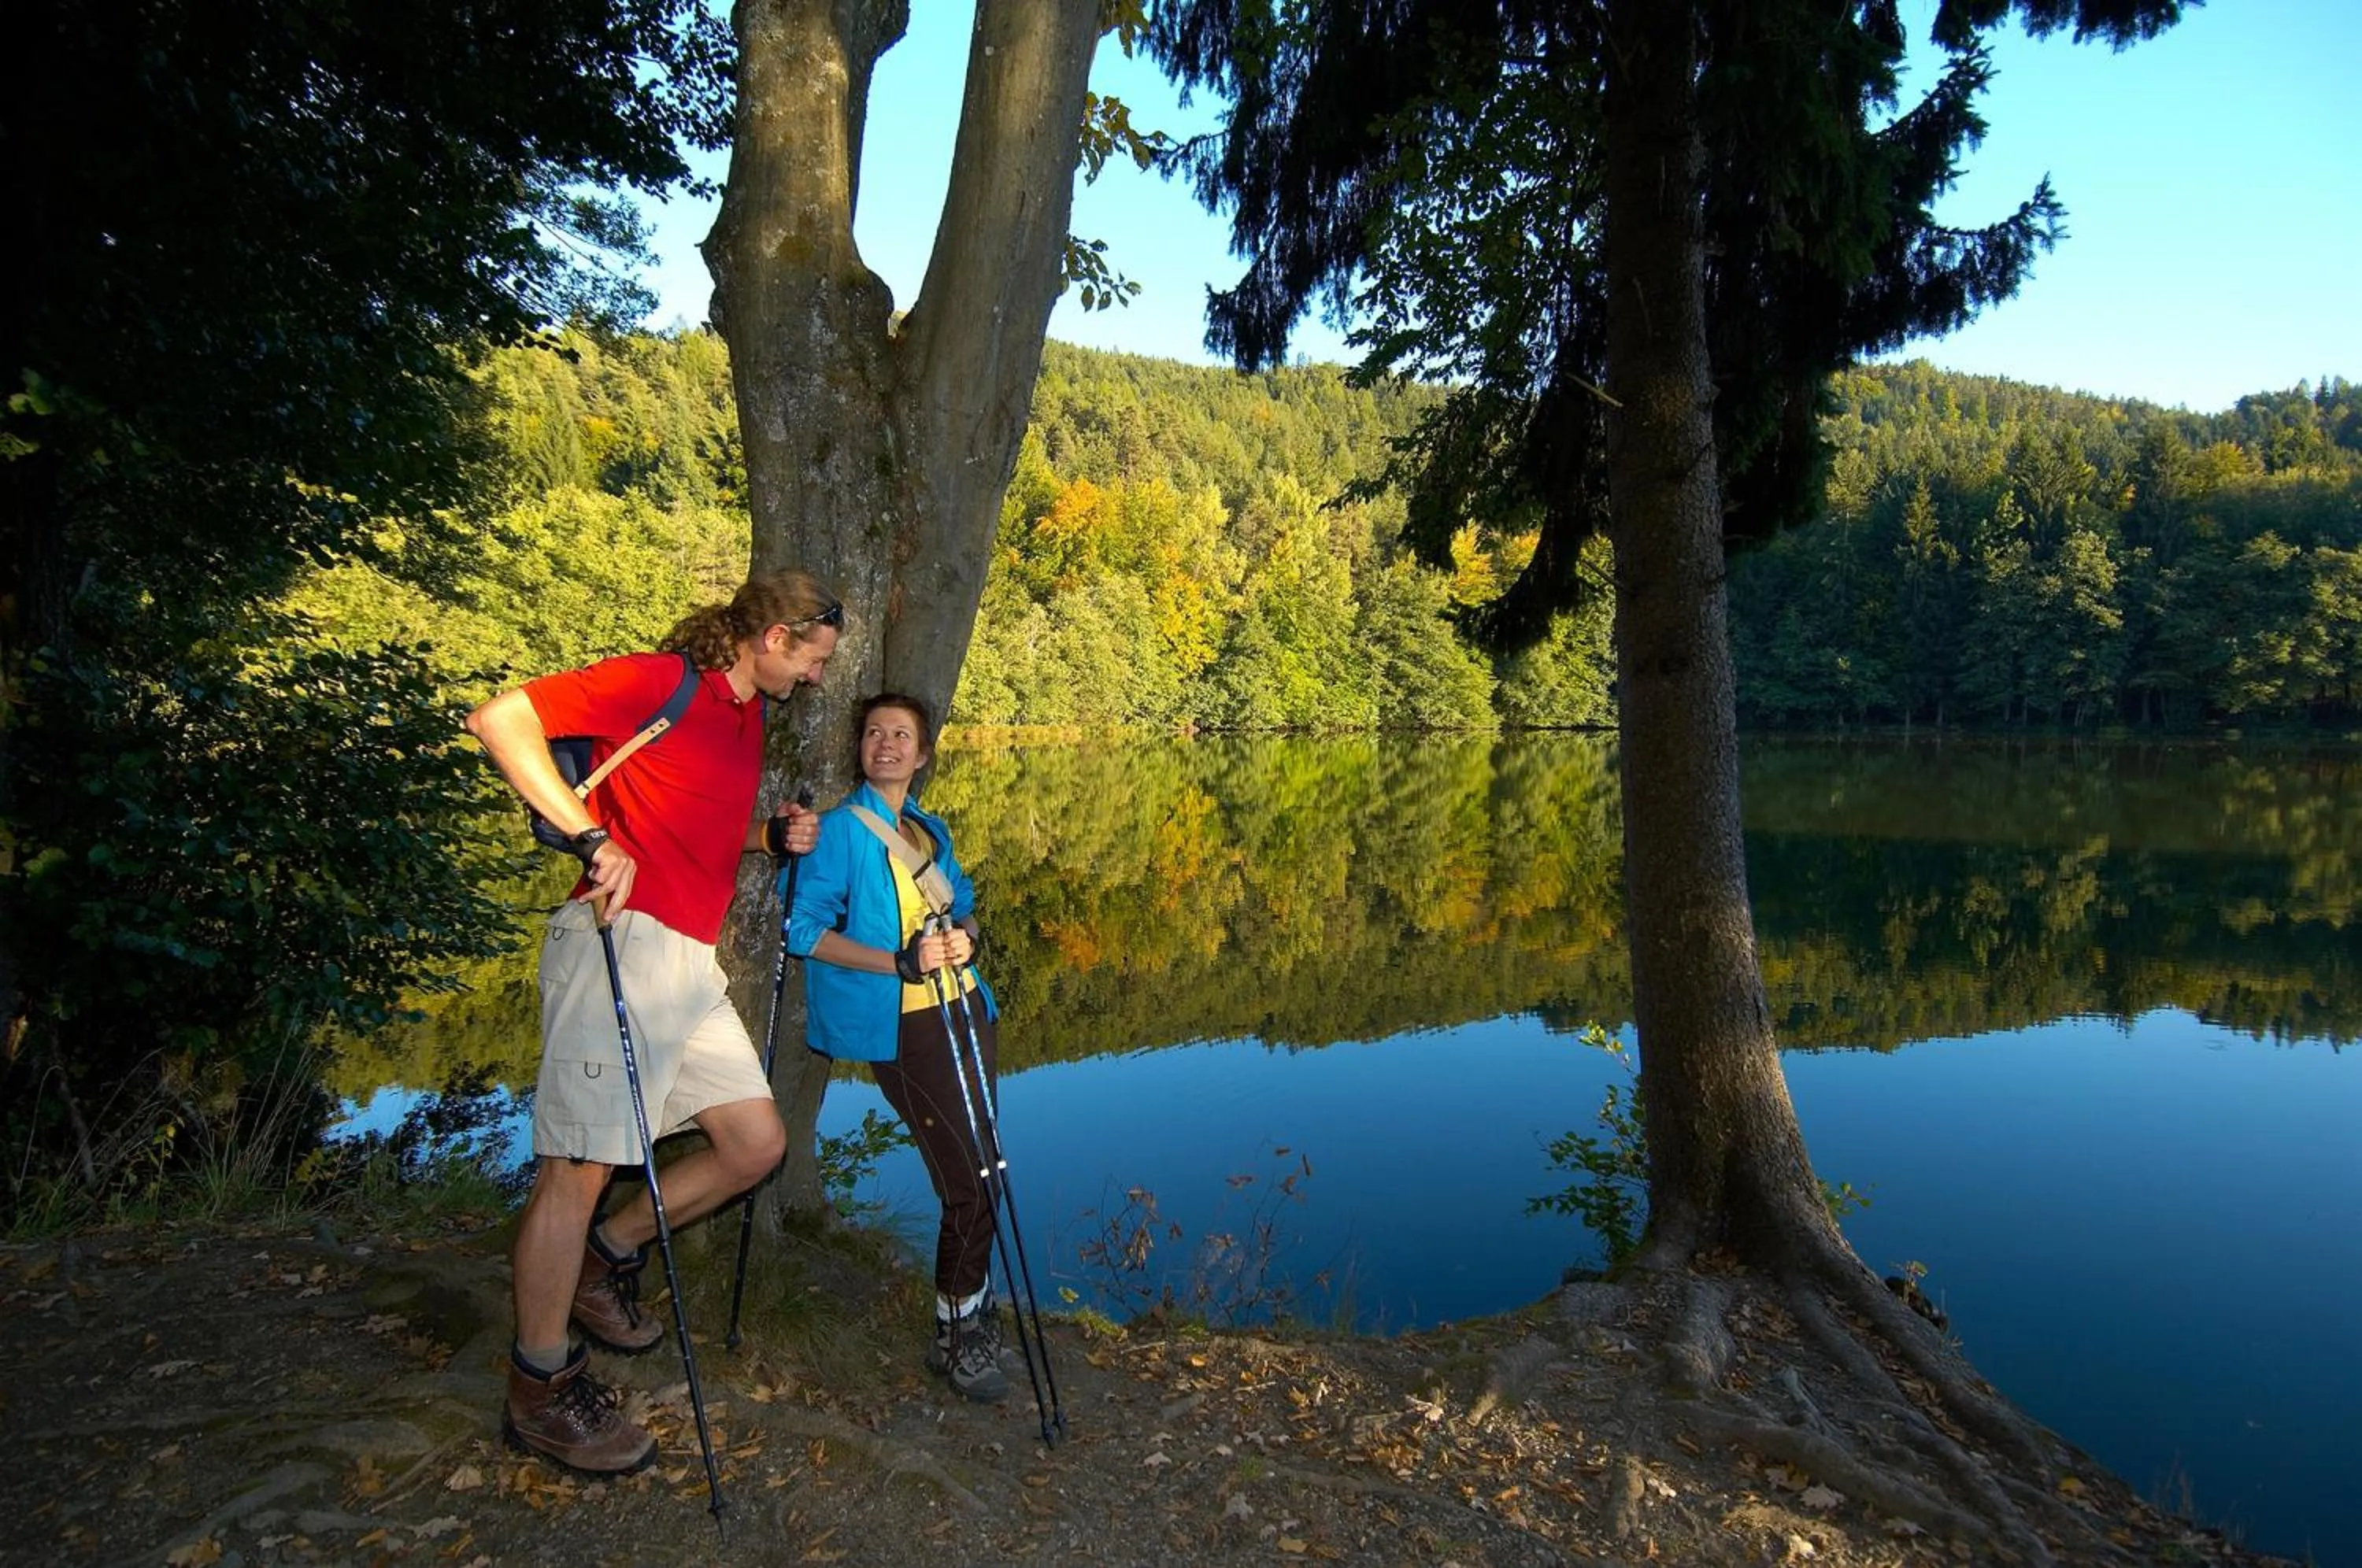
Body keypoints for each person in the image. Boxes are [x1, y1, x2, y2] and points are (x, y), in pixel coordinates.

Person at [463, 570, 839, 1475]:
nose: (820, 678)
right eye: (817, 659)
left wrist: (766, 839)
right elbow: (498, 718)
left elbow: (694, 827)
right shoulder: (656, 680)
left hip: (686, 966)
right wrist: (589, 837)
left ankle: (607, 1256)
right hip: (614, 944)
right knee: (576, 1170)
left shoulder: (746, 717)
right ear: (774, 637)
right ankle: (541, 1388)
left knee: (754, 1145)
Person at [788, 692, 1009, 1402]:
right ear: (861, 748)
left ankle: (970, 1300)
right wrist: (902, 963)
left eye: (902, 735)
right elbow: (801, 930)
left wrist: (966, 938)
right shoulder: (839, 833)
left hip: (968, 1011)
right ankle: (955, 1332)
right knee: (969, 1181)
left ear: (921, 754)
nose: (886, 744)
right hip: (906, 1028)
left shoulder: (928, 827)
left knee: (986, 1170)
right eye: (875, 733)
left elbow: (965, 905)